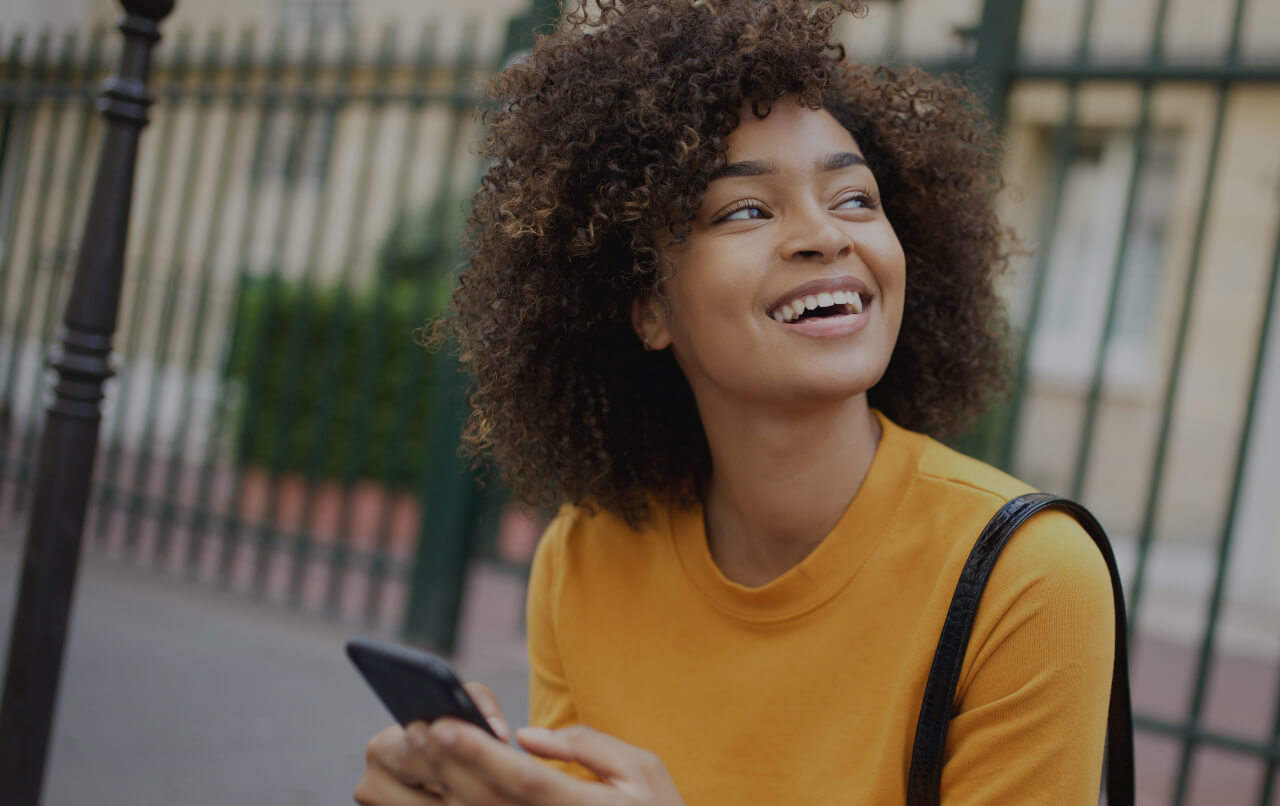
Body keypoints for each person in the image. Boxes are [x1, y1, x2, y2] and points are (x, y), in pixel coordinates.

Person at [354, 0, 1115, 803]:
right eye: (745, 210)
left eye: (855, 197)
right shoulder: (584, 558)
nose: (826, 235)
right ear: (647, 306)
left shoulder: (1026, 580)